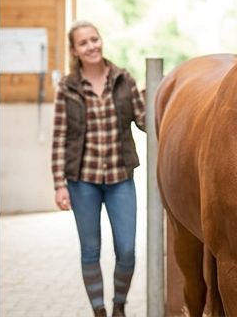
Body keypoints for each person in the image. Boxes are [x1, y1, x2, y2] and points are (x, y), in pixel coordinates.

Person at [51, 20, 147, 317]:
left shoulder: (123, 79)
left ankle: (119, 303)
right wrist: (59, 184)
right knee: (90, 251)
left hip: (120, 178)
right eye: (84, 43)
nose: (91, 46)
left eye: (94, 39)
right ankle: (100, 311)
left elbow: (144, 120)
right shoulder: (67, 87)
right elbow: (60, 136)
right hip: (82, 182)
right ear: (75, 50)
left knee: (127, 251)